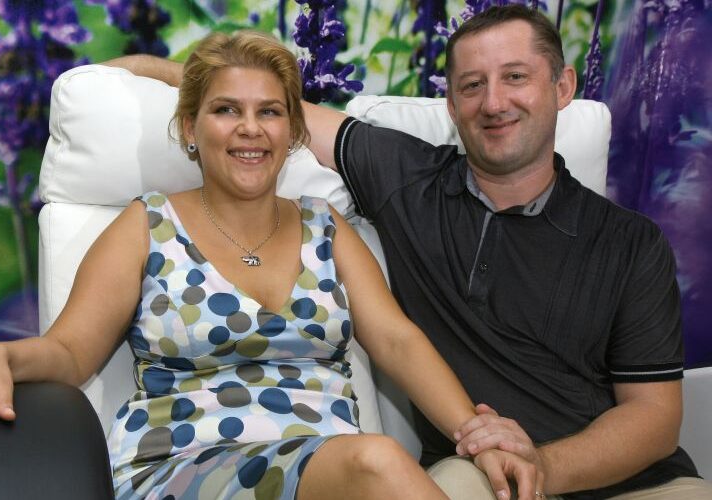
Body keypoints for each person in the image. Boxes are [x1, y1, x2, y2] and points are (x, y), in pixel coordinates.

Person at [96, 6, 712, 499]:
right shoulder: (405, 177)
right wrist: (151, 71)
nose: (494, 102)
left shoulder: (631, 242)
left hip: (630, 482)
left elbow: (654, 419)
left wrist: (543, 468)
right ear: (451, 104)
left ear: (563, 86)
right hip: (476, 474)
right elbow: (267, 113)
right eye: (472, 85)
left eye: (516, 77)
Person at [0, 31, 542, 500]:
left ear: (292, 130)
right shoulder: (146, 225)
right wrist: (0, 356)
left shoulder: (326, 227)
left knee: (373, 464)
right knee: (380, 462)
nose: (250, 129)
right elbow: (69, 352)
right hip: (184, 470)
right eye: (226, 110)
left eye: (270, 112)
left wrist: (476, 434)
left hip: (326, 472)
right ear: (190, 128)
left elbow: (398, 341)